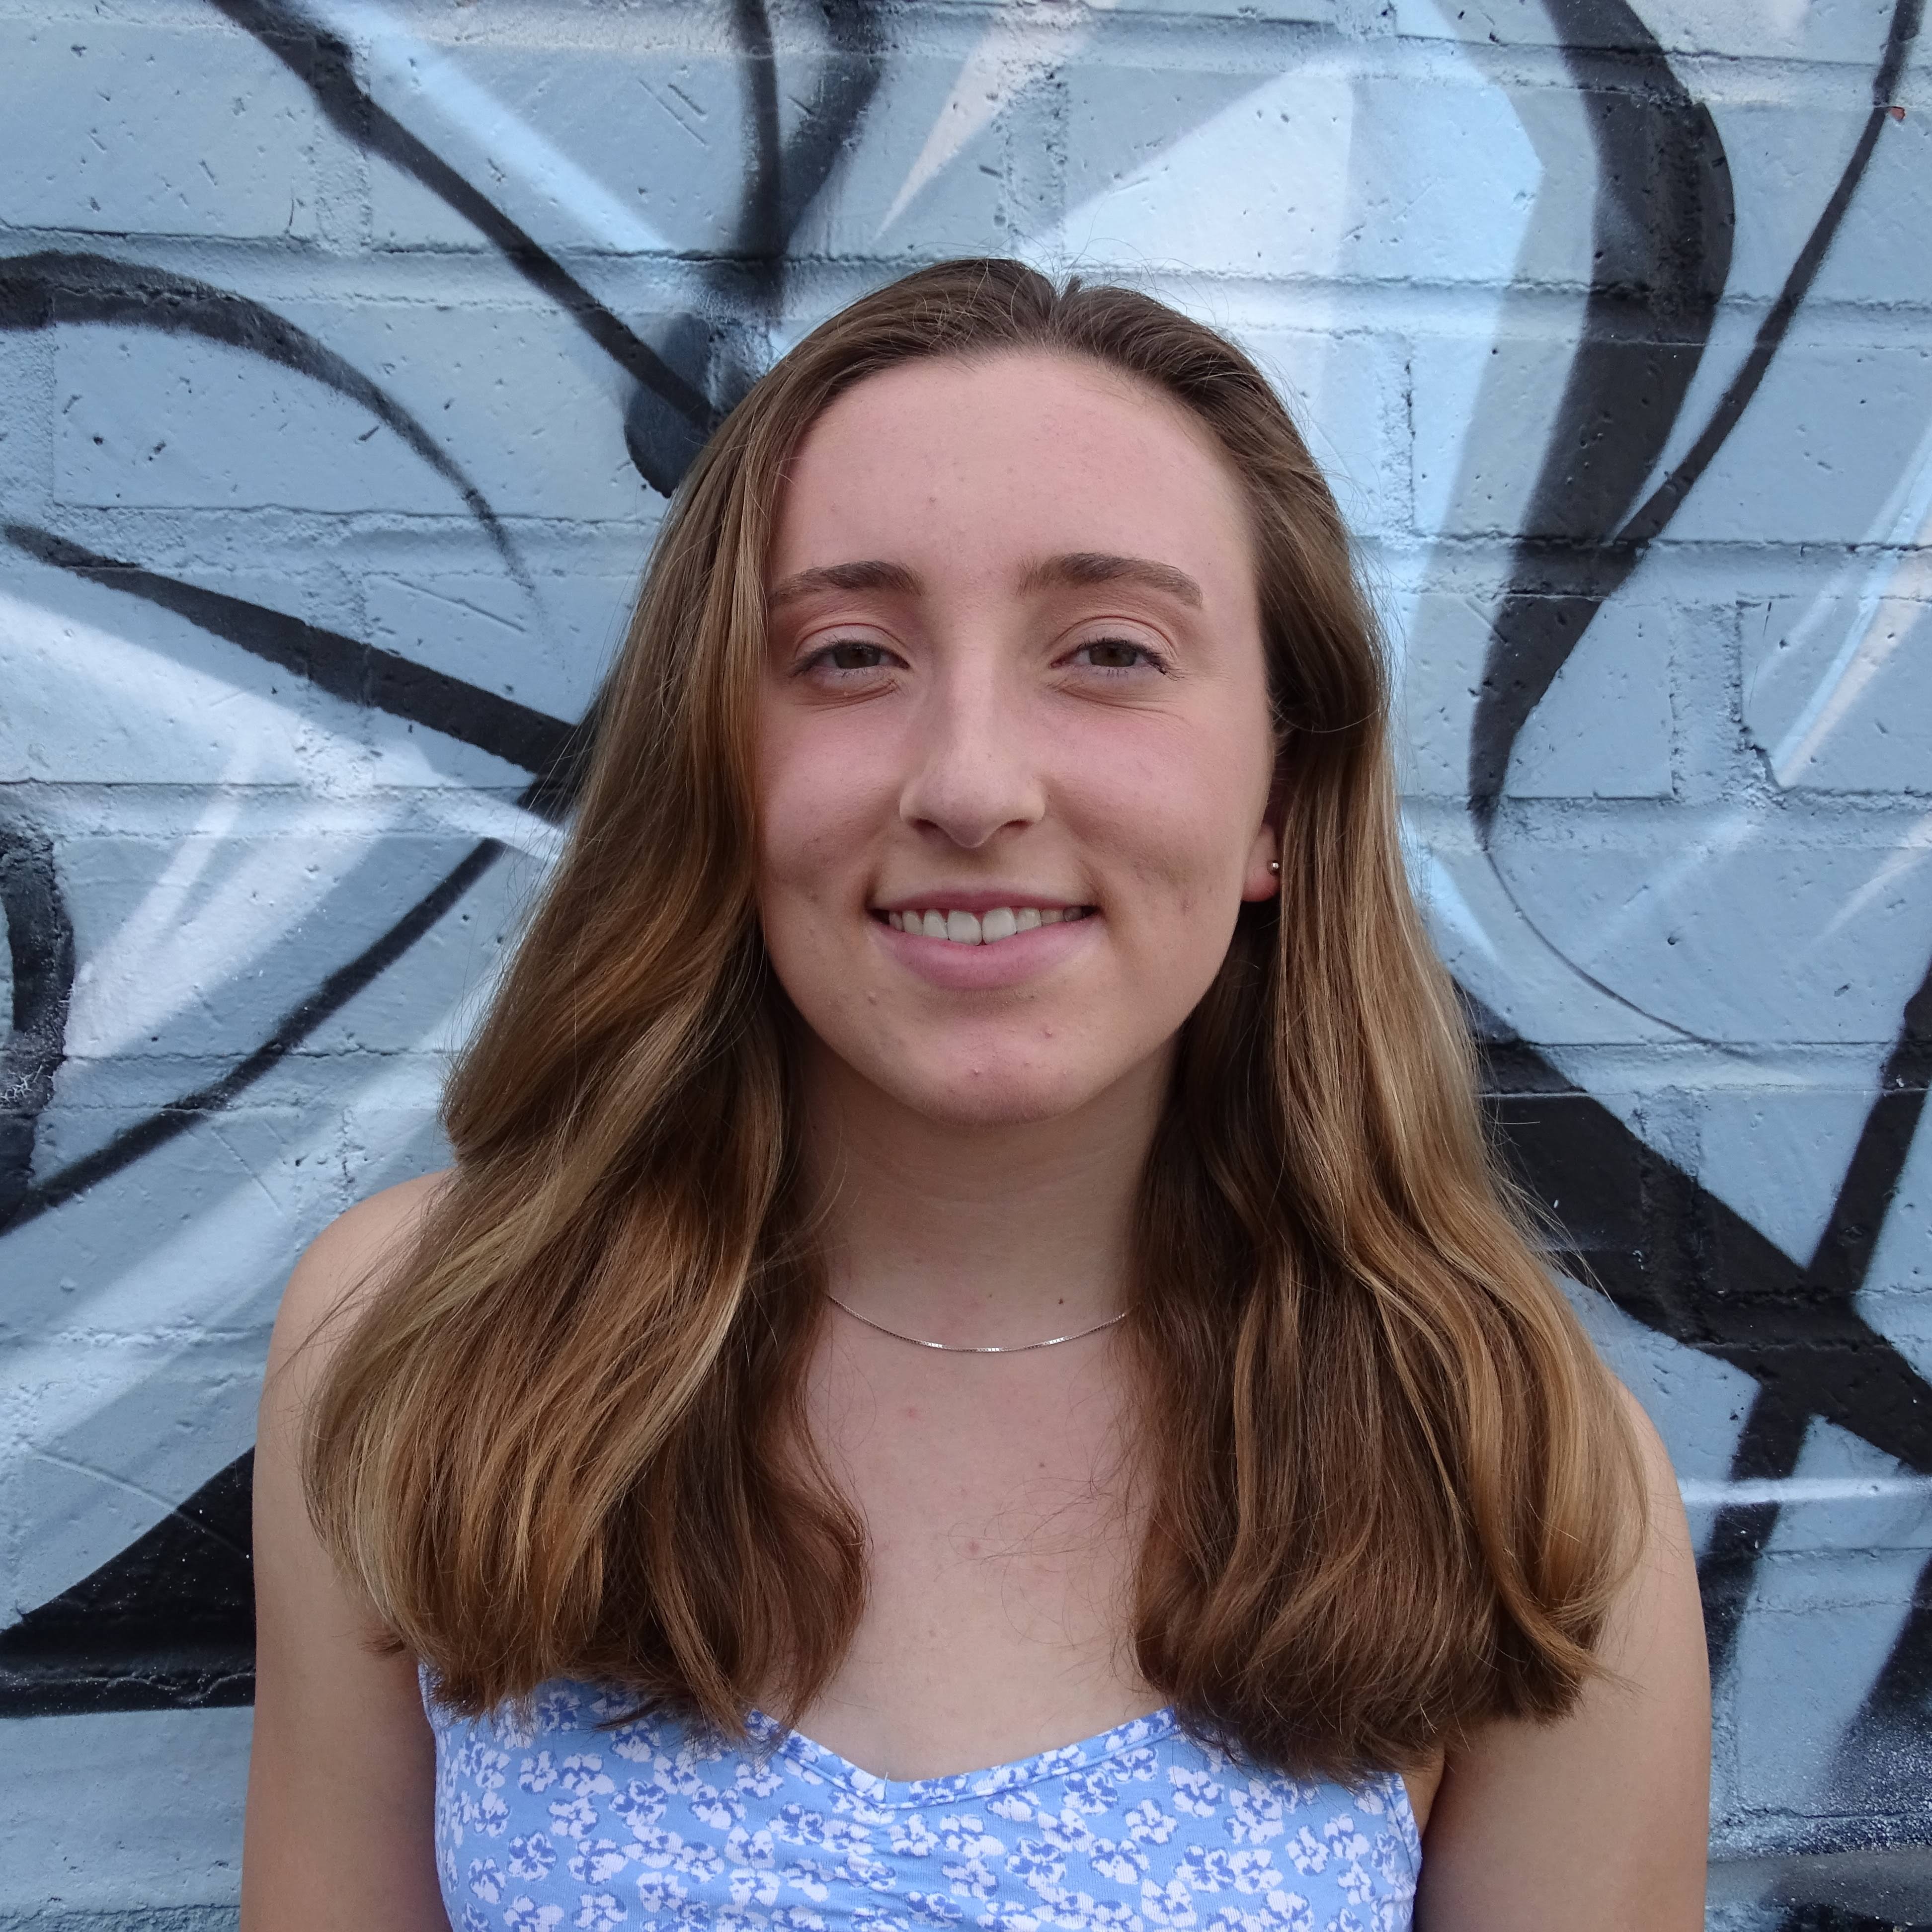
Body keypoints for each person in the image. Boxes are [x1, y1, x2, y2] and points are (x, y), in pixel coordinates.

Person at [241, 258, 1709, 1931]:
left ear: (1280, 796)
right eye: (853, 656)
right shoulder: (418, 1339)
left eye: (1108, 651)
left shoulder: (1516, 1460)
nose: (970, 785)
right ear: (718, 761)